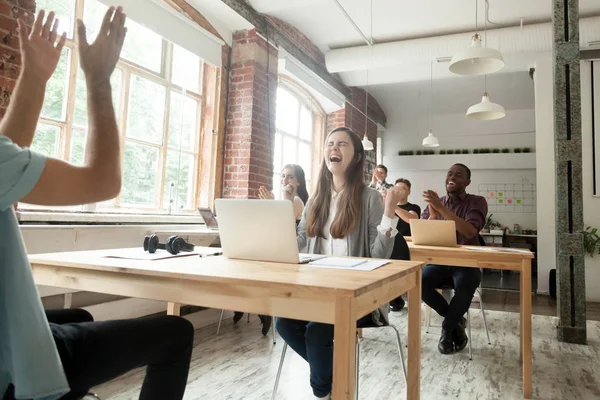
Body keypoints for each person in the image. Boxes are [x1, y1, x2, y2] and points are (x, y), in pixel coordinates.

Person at [0, 8, 193, 400]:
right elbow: (104, 181)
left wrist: (35, 76)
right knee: (177, 333)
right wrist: (99, 79)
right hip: (12, 372)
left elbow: (6, 158)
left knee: (80, 316)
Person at [275, 127, 403, 400]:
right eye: (330, 143)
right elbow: (297, 244)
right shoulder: (316, 200)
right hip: (316, 290)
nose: (334, 148)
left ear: (356, 157)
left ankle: (325, 391)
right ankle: (335, 381)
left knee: (316, 331)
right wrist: (285, 209)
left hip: (357, 295)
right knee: (283, 324)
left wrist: (390, 212)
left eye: (342, 144)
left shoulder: (369, 199)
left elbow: (379, 257)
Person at [231, 165, 310, 335]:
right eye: (283, 176)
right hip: (278, 251)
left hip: (289, 255)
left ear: (298, 182)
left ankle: (256, 307)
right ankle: (252, 306)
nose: (284, 180)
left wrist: (273, 203)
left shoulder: (296, 201)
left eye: (289, 177)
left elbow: (280, 227)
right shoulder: (286, 200)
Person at [420, 163, 488, 355]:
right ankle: (456, 322)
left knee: (466, 283)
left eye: (459, 175)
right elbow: (425, 233)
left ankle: (447, 328)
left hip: (467, 263)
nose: (453, 176)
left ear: (467, 182)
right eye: (450, 173)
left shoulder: (477, 201)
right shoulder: (436, 203)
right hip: (440, 262)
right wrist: (433, 214)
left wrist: (441, 208)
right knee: (419, 282)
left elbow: (469, 231)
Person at [388, 178, 421, 312]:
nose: (400, 191)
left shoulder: (413, 207)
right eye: (397, 188)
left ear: (409, 192)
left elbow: (412, 219)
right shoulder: (387, 207)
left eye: (403, 189)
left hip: (409, 245)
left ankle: (399, 297)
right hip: (391, 243)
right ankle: (393, 299)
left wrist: (393, 205)